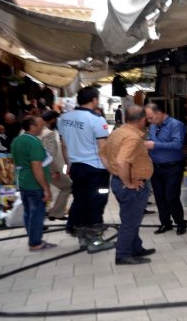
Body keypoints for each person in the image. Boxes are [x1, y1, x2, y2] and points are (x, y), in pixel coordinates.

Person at [58, 86, 114, 253]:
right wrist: (111, 169)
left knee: (80, 200)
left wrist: (67, 166)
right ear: (94, 100)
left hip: (76, 168)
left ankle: (82, 238)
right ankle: (95, 241)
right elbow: (102, 149)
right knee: (97, 203)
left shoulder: (64, 118)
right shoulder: (97, 120)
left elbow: (64, 145)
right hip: (96, 170)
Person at [100, 105, 155, 265]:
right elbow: (121, 160)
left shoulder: (118, 132)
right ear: (142, 119)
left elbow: (103, 154)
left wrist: (114, 173)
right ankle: (123, 254)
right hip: (131, 187)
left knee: (131, 218)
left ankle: (136, 248)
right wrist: (128, 183)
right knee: (130, 222)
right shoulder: (132, 137)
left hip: (119, 182)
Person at [10, 116, 56, 251]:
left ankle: (32, 238)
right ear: (32, 126)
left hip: (23, 181)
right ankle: (35, 242)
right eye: (41, 125)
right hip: (34, 183)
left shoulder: (17, 140)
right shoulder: (34, 143)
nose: (43, 127)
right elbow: (37, 167)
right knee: (37, 213)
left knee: (29, 212)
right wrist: (46, 188)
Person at [144, 103, 187, 235]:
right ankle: (165, 223)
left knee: (171, 197)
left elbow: (177, 144)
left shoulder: (176, 125)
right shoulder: (153, 126)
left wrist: (154, 145)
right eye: (148, 118)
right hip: (156, 168)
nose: (149, 121)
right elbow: (151, 142)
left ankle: (180, 222)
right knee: (159, 197)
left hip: (172, 167)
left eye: (151, 117)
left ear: (159, 113)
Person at [39, 110, 71, 221]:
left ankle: (52, 212)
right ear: (53, 119)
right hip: (48, 167)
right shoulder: (49, 133)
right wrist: (53, 171)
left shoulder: (28, 131)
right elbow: (49, 155)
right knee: (67, 186)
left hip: (32, 169)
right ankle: (56, 212)